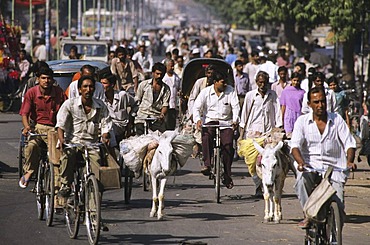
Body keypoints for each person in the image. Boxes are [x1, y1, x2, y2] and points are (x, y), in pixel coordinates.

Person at [291, 86, 356, 228]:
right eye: (316, 102)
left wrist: (350, 161)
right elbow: (295, 146)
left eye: (322, 101)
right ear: (309, 104)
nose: (320, 105)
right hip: (310, 167)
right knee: (301, 181)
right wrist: (301, 163)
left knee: (338, 208)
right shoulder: (302, 122)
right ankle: (308, 213)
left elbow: (349, 143)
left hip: (334, 169)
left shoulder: (337, 119)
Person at [56, 75, 112, 196]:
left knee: (97, 163)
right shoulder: (69, 104)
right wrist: (61, 140)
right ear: (80, 89)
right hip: (73, 142)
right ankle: (66, 184)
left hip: (91, 144)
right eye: (85, 87)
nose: (88, 89)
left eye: (91, 86)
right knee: (67, 157)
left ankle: (93, 210)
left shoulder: (101, 105)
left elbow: (105, 123)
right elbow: (60, 125)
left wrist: (105, 135)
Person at [18, 67, 66, 188]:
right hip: (37, 127)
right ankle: (29, 171)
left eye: (48, 78)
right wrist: (27, 127)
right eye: (43, 78)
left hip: (55, 128)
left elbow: (66, 112)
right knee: (31, 146)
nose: (46, 81)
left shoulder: (59, 92)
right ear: (38, 79)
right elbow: (25, 113)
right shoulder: (32, 92)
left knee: (56, 157)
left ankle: (57, 187)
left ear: (52, 80)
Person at [193, 70, 240, 189]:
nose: (225, 85)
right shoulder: (206, 92)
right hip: (210, 121)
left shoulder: (231, 91)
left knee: (228, 146)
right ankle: (207, 164)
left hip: (226, 123)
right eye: (222, 82)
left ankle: (227, 175)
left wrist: (235, 120)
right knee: (206, 136)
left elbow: (235, 107)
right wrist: (198, 119)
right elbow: (197, 107)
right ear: (215, 82)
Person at [238, 71, 281, 196]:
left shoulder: (273, 95)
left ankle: (269, 183)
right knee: (252, 162)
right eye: (260, 82)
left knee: (268, 161)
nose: (262, 85)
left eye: (265, 82)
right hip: (253, 134)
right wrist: (241, 135)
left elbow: (277, 111)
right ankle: (258, 184)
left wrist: (278, 128)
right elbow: (244, 115)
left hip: (268, 134)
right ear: (256, 82)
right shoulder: (250, 96)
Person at [134, 62, 170, 135]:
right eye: (157, 74)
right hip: (142, 117)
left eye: (161, 74)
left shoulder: (166, 89)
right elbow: (137, 100)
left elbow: (165, 105)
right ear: (153, 73)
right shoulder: (143, 85)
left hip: (156, 118)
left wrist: (162, 114)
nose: (159, 76)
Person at [280, 72, 305, 137]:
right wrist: (281, 119)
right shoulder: (285, 91)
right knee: (288, 136)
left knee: (298, 135)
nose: (296, 82)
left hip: (298, 116)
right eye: (294, 80)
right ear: (291, 80)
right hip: (288, 116)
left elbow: (304, 107)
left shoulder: (302, 92)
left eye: (298, 81)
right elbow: (283, 105)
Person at [163, 59, 181, 130]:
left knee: (172, 123)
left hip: (174, 104)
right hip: (166, 104)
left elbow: (179, 88)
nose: (172, 68)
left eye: (173, 66)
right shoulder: (164, 78)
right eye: (171, 66)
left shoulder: (176, 77)